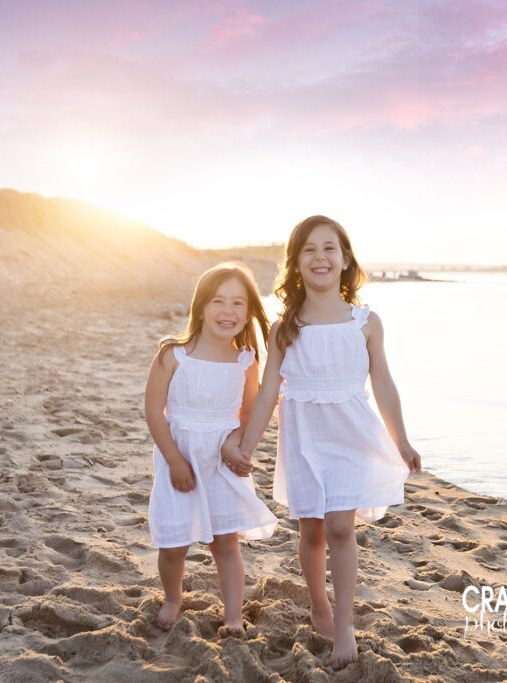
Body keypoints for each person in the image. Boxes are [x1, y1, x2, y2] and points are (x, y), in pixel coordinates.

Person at [228, 215, 422, 669]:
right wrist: (249, 445)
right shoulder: (285, 327)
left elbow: (384, 384)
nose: (320, 257)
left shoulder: (366, 322)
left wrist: (403, 441)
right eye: (309, 249)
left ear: (346, 258)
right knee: (311, 529)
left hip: (352, 434)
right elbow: (269, 392)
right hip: (304, 438)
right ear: (295, 263)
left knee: (340, 527)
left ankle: (346, 623)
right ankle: (319, 605)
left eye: (329, 248)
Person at [144, 262, 278, 638]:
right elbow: (154, 411)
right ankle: (173, 597)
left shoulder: (245, 360)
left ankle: (233, 615)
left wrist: (235, 441)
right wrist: (173, 460)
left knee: (226, 542)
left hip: (220, 462)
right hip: (180, 458)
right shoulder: (174, 355)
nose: (228, 311)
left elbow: (248, 411)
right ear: (201, 306)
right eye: (218, 301)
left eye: (238, 303)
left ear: (249, 311)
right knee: (173, 544)